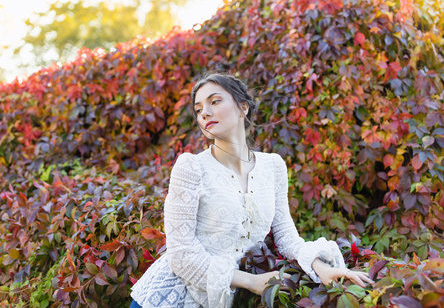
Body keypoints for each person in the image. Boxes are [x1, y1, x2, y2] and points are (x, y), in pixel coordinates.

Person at [129, 73, 374, 307]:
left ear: (243, 107)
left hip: (229, 297)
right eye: (198, 109)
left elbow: (286, 236)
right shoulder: (191, 167)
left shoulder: (273, 166)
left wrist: (322, 267)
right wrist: (250, 281)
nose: (205, 112)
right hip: (171, 296)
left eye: (214, 101)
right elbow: (180, 254)